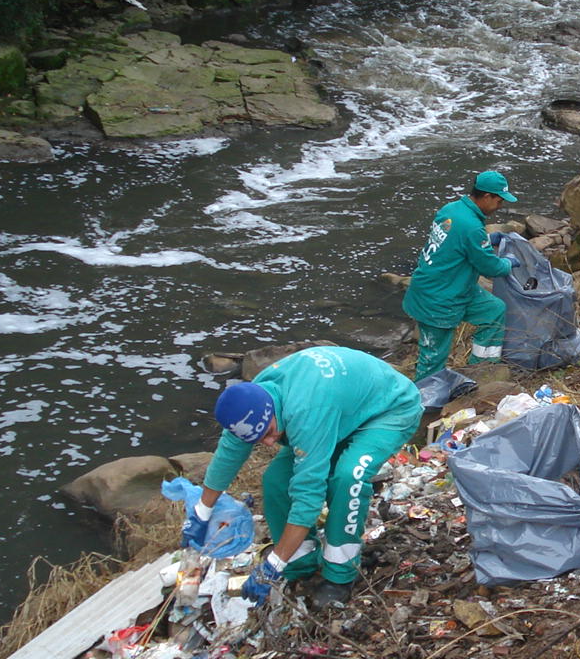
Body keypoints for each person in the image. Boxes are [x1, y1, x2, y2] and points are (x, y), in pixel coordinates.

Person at [194, 346, 424, 608]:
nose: (270, 443)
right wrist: (201, 511)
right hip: (339, 411)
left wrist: (272, 564)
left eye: (269, 432)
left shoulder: (305, 411)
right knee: (276, 481)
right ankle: (300, 561)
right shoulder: (253, 396)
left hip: (388, 409)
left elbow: (308, 498)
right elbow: (228, 453)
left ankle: (340, 574)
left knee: (348, 478)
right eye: (261, 440)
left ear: (271, 409)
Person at [403, 170, 518, 379]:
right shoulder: (472, 226)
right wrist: (508, 263)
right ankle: (425, 404)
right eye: (499, 201)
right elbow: (490, 267)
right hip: (438, 299)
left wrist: (487, 238)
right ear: (486, 197)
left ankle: (480, 369)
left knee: (494, 311)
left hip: (456, 287)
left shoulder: (452, 209)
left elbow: (456, 240)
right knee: (432, 359)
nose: (500, 206)